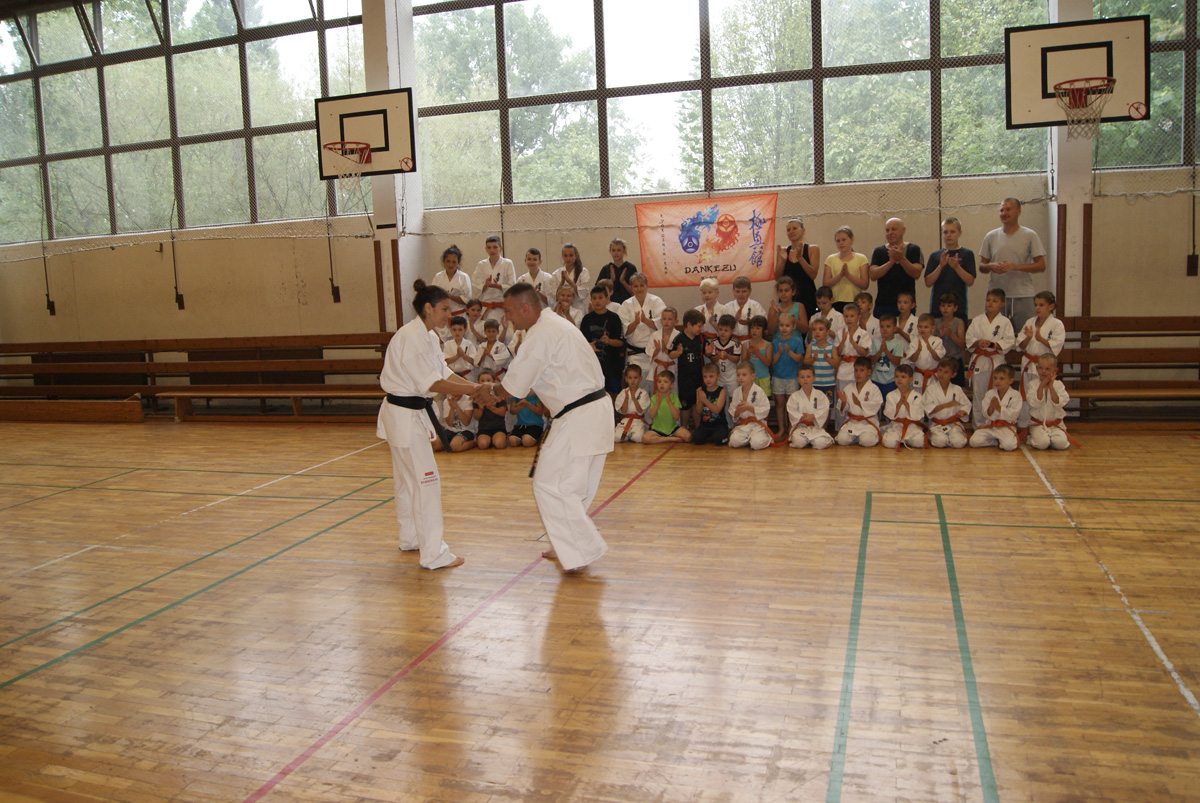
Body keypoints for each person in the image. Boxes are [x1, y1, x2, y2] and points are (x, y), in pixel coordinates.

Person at [487, 283, 613, 571]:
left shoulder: (541, 333)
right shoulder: (555, 325)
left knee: (549, 484)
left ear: (525, 308)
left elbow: (515, 385)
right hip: (592, 411)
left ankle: (583, 549)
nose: (507, 318)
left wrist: (491, 392)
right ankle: (567, 545)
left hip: (579, 415)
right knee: (574, 488)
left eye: (509, 311)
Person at [376, 280, 478, 570]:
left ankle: (410, 537)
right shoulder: (411, 338)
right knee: (426, 483)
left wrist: (473, 387)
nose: (449, 315)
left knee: (407, 482)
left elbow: (443, 372)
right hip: (405, 417)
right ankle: (434, 554)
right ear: (428, 308)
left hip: (406, 416)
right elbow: (433, 383)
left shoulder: (429, 337)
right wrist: (475, 390)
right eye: (444, 309)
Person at [979, 198, 1046, 331]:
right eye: (1001, 210)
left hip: (1023, 295)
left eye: (1008, 209)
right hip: (996, 297)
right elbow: (982, 266)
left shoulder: (1030, 235)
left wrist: (1016, 267)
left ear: (1018, 211)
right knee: (994, 334)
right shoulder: (991, 236)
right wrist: (991, 266)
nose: (1004, 213)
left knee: (1025, 334)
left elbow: (1041, 265)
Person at [966, 288, 1016, 428]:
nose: (990, 303)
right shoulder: (977, 320)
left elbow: (1009, 341)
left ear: (1002, 304)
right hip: (980, 361)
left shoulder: (1005, 322)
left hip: (996, 362)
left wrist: (993, 344)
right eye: (988, 300)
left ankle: (996, 424)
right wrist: (978, 342)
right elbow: (969, 338)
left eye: (994, 301)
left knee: (996, 394)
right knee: (978, 395)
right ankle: (979, 426)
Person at [619, 273, 666, 391]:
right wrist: (635, 323)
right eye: (635, 286)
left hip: (654, 352)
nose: (639, 289)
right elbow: (624, 330)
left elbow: (663, 324)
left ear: (647, 285)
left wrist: (645, 320)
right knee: (637, 390)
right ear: (631, 287)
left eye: (641, 285)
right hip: (634, 354)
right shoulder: (626, 304)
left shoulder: (656, 301)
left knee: (656, 389)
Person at [869, 217, 923, 317]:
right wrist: (891, 262)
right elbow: (872, 275)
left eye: (894, 229)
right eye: (887, 230)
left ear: (903, 230)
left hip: (906, 305)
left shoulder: (914, 249)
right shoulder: (878, 251)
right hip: (883, 304)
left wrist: (901, 258)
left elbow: (916, 274)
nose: (890, 233)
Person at [924, 217, 976, 320]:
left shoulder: (967, 254)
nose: (949, 235)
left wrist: (957, 267)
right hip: (938, 307)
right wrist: (940, 266)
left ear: (959, 233)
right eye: (945, 232)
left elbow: (970, 281)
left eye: (952, 232)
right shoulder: (935, 255)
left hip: (959, 307)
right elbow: (928, 282)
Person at [1017, 290, 1065, 395]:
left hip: (1045, 367)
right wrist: (1028, 338)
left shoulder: (1057, 324)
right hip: (1028, 364)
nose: (1037, 308)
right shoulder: (1030, 322)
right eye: (1035, 305)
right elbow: (1020, 346)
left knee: (1042, 394)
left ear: (1051, 306)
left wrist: (1041, 339)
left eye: (1041, 305)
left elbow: (1057, 346)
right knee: (1026, 394)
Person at [580, 285, 625, 396]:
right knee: (594, 397)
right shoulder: (586, 319)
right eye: (594, 298)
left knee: (614, 397)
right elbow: (581, 343)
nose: (597, 301)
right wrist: (589, 345)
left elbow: (620, 342)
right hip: (592, 367)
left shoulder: (614, 318)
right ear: (591, 300)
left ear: (606, 298)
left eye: (600, 298)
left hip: (612, 366)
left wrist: (609, 341)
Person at [1025, 354, 1074, 451]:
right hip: (1038, 424)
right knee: (1042, 444)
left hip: (1055, 425)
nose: (1043, 371)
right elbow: (1034, 403)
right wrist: (1042, 386)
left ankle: (1051, 439)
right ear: (1037, 369)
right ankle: (1035, 438)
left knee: (1061, 444)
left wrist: (1051, 387)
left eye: (1047, 369)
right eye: (1041, 368)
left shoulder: (1059, 385)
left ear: (1055, 370)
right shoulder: (1032, 384)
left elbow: (1059, 403)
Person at [969, 364, 1022, 451]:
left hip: (1006, 427)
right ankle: (994, 442)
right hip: (991, 425)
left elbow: (1014, 414)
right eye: (995, 378)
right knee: (974, 441)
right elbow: (985, 413)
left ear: (1010, 380)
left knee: (1009, 446)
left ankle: (1002, 441)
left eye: (1001, 379)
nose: (997, 381)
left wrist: (999, 408)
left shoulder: (1015, 395)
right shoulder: (990, 393)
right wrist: (991, 407)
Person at [775, 218, 821, 316]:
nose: (791, 231)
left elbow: (813, 275)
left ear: (803, 230)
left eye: (794, 228)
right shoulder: (783, 251)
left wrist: (800, 258)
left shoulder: (813, 249)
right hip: (788, 297)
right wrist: (783, 262)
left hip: (807, 295)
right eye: (788, 230)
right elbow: (777, 278)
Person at [834, 357, 882, 447]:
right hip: (853, 422)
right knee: (841, 440)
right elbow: (843, 409)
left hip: (868, 423)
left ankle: (861, 437)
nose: (858, 373)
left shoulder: (874, 389)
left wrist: (860, 403)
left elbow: (876, 406)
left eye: (862, 370)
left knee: (866, 441)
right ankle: (856, 437)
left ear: (869, 372)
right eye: (856, 370)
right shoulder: (849, 387)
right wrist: (844, 402)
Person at [924, 357, 971, 449]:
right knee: (940, 441)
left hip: (953, 424)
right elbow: (929, 409)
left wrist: (962, 412)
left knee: (958, 443)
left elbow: (966, 405)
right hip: (937, 425)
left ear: (953, 374)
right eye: (940, 370)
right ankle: (944, 439)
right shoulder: (930, 389)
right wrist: (946, 405)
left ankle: (950, 439)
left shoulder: (957, 389)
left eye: (946, 372)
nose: (941, 374)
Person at [771, 313, 805, 439]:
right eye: (781, 325)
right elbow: (773, 361)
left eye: (787, 325)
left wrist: (789, 352)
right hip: (778, 377)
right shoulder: (775, 342)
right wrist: (779, 353)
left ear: (793, 326)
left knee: (791, 405)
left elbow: (799, 359)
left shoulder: (797, 341)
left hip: (792, 377)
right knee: (779, 404)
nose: (784, 328)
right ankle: (781, 428)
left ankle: (791, 427)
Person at [822, 226, 869, 312]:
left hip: (855, 302)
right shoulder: (830, 259)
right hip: (835, 302)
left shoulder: (861, 258)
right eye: (838, 241)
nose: (841, 243)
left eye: (844, 240)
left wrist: (848, 275)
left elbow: (865, 284)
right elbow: (825, 284)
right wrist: (840, 276)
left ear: (852, 240)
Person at [787, 365, 833, 450]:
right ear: (798, 379)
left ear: (813, 378)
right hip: (801, 427)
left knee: (820, 443)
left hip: (816, 427)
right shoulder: (794, 396)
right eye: (802, 377)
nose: (805, 379)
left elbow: (824, 409)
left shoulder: (820, 395)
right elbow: (791, 410)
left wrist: (814, 416)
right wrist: (801, 416)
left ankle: (812, 440)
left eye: (808, 377)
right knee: (798, 442)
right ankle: (808, 440)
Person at [432, 244, 472, 341]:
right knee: (444, 345)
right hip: (442, 318)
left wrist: (450, 296)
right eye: (448, 261)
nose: (450, 265)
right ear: (444, 261)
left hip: (459, 317)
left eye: (454, 262)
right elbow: (432, 297)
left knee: (460, 344)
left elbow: (467, 301)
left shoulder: (463, 277)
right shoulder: (438, 277)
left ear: (458, 262)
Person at [728, 363, 772, 450]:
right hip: (743, 425)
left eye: (744, 375)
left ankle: (759, 438)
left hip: (757, 425)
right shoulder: (736, 392)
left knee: (756, 444)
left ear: (752, 376)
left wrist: (749, 408)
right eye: (738, 375)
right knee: (734, 441)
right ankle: (749, 439)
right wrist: (738, 410)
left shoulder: (759, 391)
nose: (740, 377)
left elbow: (765, 410)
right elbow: (733, 412)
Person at [880, 365, 926, 450]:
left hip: (911, 426)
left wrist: (908, 406)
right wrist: (898, 406)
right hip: (896, 426)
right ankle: (900, 439)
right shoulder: (891, 395)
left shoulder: (917, 396)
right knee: (889, 443)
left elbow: (919, 414)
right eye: (897, 376)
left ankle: (905, 440)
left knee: (919, 442)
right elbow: (888, 413)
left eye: (903, 377)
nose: (899, 379)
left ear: (911, 379)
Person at [675, 309, 706, 430]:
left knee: (697, 404)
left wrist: (709, 352)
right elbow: (670, 353)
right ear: (689, 324)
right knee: (685, 406)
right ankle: (683, 427)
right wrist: (677, 353)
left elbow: (707, 352)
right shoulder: (679, 338)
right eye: (698, 326)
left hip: (698, 377)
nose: (700, 329)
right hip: (684, 379)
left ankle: (698, 428)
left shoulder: (701, 338)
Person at [473, 235, 515, 322]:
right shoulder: (481, 265)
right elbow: (475, 285)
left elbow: (512, 286)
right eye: (489, 247)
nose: (492, 250)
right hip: (485, 307)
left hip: (502, 307)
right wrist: (485, 285)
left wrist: (498, 286)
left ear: (501, 248)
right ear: (486, 249)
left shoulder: (507, 263)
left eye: (495, 247)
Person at [643, 369, 691, 444]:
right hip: (657, 430)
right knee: (645, 438)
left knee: (688, 436)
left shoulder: (674, 397)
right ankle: (668, 439)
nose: (662, 384)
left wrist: (669, 401)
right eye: (659, 382)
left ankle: (666, 437)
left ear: (671, 385)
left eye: (665, 382)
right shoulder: (654, 398)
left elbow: (676, 416)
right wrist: (658, 403)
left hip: (673, 429)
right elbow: (651, 416)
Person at [804, 317, 838, 417]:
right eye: (814, 330)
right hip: (815, 383)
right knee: (814, 406)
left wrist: (827, 358)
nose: (817, 332)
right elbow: (805, 362)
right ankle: (815, 424)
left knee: (827, 407)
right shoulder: (811, 346)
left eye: (821, 329)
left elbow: (837, 364)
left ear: (827, 332)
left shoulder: (832, 347)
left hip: (828, 383)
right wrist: (813, 359)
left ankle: (825, 425)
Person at [904, 313, 946, 393]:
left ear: (932, 328)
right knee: (918, 398)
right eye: (920, 326)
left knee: (932, 398)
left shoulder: (937, 341)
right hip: (918, 376)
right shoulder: (915, 341)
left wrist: (931, 350)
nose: (922, 329)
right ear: (917, 327)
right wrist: (918, 351)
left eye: (926, 327)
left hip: (932, 376)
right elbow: (912, 359)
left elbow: (938, 358)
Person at [691, 363, 730, 446]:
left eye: (711, 376)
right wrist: (699, 399)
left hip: (719, 424)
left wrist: (704, 400)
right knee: (696, 439)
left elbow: (716, 411)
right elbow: (698, 411)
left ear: (718, 376)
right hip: (705, 425)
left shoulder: (721, 391)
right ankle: (709, 436)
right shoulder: (701, 390)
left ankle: (715, 436)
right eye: (705, 377)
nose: (708, 379)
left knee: (719, 440)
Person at [935, 292, 967, 386]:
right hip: (939, 361)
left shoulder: (959, 322)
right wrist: (939, 336)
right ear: (939, 307)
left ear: (955, 308)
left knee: (957, 389)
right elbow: (930, 343)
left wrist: (951, 334)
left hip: (955, 360)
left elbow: (962, 345)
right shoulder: (936, 322)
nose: (945, 308)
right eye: (943, 305)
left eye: (949, 306)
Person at [871, 314, 905, 400]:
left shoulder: (898, 344)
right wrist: (880, 351)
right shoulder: (875, 342)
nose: (885, 329)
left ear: (894, 328)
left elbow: (897, 362)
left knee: (889, 403)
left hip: (891, 381)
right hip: (876, 380)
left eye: (888, 326)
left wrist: (886, 350)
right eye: (882, 326)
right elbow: (872, 362)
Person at [473, 369, 509, 451]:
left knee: (499, 444)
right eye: (482, 381)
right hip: (484, 429)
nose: (485, 383)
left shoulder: (498, 395)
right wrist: (481, 408)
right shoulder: (477, 397)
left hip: (498, 428)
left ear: (494, 382)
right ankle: (484, 440)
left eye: (488, 380)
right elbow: (476, 417)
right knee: (482, 445)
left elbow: (502, 413)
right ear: (478, 382)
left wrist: (490, 407)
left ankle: (498, 438)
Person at [551, 242, 591, 316]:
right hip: (561, 309)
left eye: (571, 255)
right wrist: (562, 282)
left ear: (576, 255)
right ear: (562, 256)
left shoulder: (583, 272)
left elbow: (583, 293)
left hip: (578, 307)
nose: (568, 258)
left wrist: (569, 281)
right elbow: (554, 296)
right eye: (565, 255)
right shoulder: (556, 273)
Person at [614, 364, 650, 443]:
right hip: (626, 420)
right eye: (630, 378)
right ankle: (627, 435)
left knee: (638, 438)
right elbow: (623, 411)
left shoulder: (643, 393)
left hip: (638, 421)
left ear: (640, 378)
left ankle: (631, 435)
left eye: (635, 378)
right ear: (626, 379)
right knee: (617, 438)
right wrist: (626, 399)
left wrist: (634, 399)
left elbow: (640, 411)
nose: (633, 380)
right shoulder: (623, 393)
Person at [596, 238, 637, 306]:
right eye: (613, 250)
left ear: (624, 251)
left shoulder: (630, 268)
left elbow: (634, 292)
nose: (616, 253)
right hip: (609, 305)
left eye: (619, 250)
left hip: (627, 304)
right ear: (610, 251)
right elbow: (598, 292)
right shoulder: (606, 269)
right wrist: (611, 281)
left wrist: (623, 281)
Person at [709, 313, 742, 398]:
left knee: (733, 397)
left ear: (732, 331)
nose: (722, 332)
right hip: (719, 377)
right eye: (720, 329)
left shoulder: (735, 342)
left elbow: (736, 359)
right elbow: (712, 359)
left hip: (732, 376)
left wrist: (728, 356)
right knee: (719, 398)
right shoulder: (714, 342)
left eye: (726, 330)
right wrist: (718, 356)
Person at [649, 307, 682, 389]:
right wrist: (656, 351)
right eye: (664, 319)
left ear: (676, 321)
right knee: (658, 392)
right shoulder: (655, 335)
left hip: (672, 369)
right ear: (661, 321)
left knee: (672, 392)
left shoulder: (679, 336)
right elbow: (649, 352)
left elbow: (679, 353)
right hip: (658, 368)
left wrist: (666, 350)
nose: (666, 321)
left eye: (670, 319)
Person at [727, 276, 766, 343]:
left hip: (751, 340)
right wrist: (734, 320)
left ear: (750, 291)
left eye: (744, 291)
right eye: (737, 291)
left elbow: (763, 324)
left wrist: (749, 322)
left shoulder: (756, 306)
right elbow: (722, 326)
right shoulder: (727, 307)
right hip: (731, 341)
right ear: (733, 291)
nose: (741, 294)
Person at [745, 315, 773, 398]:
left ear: (763, 330)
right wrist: (748, 355)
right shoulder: (745, 344)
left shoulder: (768, 345)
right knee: (750, 399)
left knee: (764, 400)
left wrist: (757, 352)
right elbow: (743, 363)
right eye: (752, 328)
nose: (754, 331)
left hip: (763, 377)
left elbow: (768, 363)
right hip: (749, 378)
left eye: (758, 328)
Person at [442, 315, 478, 380]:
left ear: (465, 330)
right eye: (454, 330)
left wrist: (463, 355)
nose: (457, 332)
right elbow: (445, 362)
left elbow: (474, 362)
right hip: (453, 375)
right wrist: (457, 356)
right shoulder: (447, 344)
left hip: (468, 376)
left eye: (460, 329)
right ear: (450, 330)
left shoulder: (469, 344)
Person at [694, 277, 726, 342]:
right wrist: (701, 322)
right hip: (701, 342)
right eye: (704, 293)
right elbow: (693, 331)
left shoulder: (723, 309)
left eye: (710, 292)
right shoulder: (697, 310)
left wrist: (712, 322)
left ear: (717, 293)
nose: (707, 295)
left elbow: (726, 331)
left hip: (720, 342)